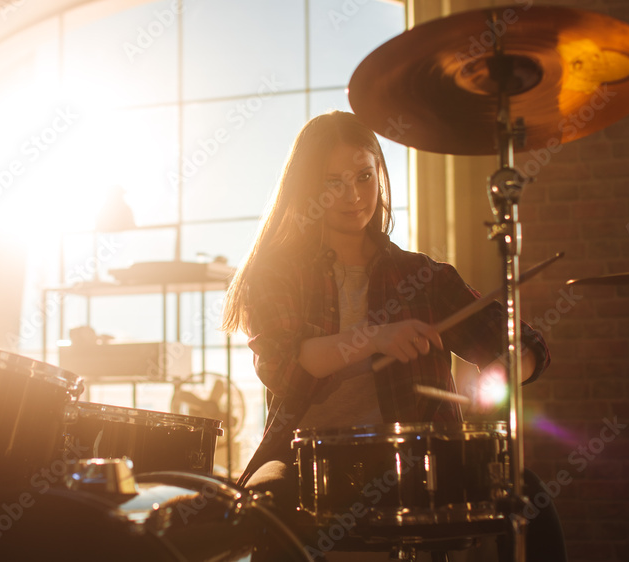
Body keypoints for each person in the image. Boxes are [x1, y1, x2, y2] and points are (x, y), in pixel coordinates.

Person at [221, 111, 565, 561]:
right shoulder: (278, 273)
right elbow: (285, 368)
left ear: (379, 174)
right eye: (334, 181)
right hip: (310, 465)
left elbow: (528, 346)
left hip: (417, 464)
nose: (354, 195)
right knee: (264, 505)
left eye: (364, 176)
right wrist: (374, 338)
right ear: (307, 189)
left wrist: (500, 374)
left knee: (530, 497)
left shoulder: (422, 275)